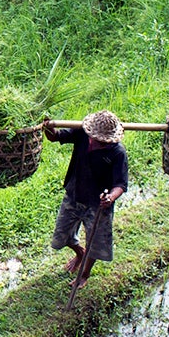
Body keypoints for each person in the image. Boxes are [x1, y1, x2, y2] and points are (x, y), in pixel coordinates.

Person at [43, 109, 128, 300]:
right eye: (93, 138)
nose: (94, 142)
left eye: (101, 141)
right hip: (74, 194)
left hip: (98, 204)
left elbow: (121, 184)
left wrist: (111, 198)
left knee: (96, 242)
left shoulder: (117, 152)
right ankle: (79, 252)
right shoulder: (81, 133)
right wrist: (47, 127)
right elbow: (54, 137)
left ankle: (85, 273)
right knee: (60, 237)